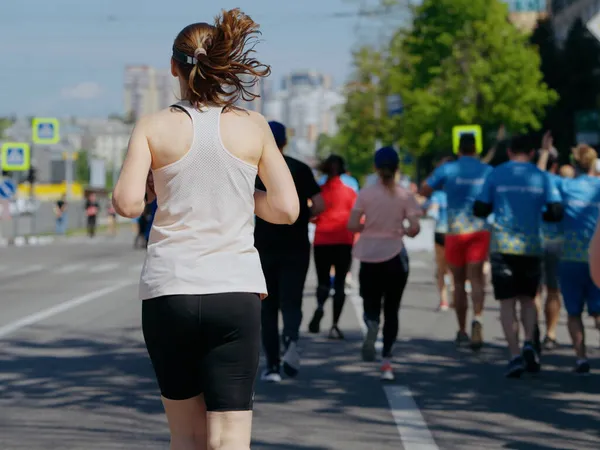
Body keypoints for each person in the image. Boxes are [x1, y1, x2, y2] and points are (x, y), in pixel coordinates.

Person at [111, 9, 299, 449]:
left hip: (169, 291)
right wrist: (246, 198)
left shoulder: (153, 126)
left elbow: (126, 202)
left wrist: (153, 194)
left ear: (174, 67)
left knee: (187, 437)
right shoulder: (253, 126)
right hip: (234, 291)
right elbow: (287, 208)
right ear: (222, 62)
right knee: (229, 437)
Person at [473, 134, 563, 378]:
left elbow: (480, 207)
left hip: (503, 245)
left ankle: (513, 356)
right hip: (532, 246)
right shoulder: (541, 176)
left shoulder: (495, 173)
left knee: (506, 303)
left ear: (510, 151)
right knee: (528, 299)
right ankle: (529, 344)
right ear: (532, 153)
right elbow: (556, 211)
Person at [255, 121, 325, 382]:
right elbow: (320, 204)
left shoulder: (254, 170)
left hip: (263, 248)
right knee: (292, 300)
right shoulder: (300, 168)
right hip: (296, 246)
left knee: (267, 307)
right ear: (285, 142)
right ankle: (291, 340)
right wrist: (304, 214)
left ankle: (272, 366)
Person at [348, 146, 421, 381]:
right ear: (398, 168)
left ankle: (371, 322)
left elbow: (352, 224)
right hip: (395, 256)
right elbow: (415, 228)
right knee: (392, 309)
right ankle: (387, 359)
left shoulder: (366, 194)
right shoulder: (404, 195)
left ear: (375, 168)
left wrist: (366, 228)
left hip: (369, 254)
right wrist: (405, 231)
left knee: (370, 301)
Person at [420, 134, 492, 351]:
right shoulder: (486, 170)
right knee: (477, 279)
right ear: (476, 149)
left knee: (458, 283)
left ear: (459, 149)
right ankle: (477, 318)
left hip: (454, 231)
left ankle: (461, 330)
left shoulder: (448, 169)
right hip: (480, 231)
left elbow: (424, 190)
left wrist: (440, 172)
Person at [555, 144, 600, 374]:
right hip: (598, 255)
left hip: (571, 257)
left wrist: (545, 155)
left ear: (574, 163)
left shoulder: (566, 186)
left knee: (574, 311)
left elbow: (545, 184)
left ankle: (581, 358)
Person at [308, 154, 357, 339]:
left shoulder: (320, 191)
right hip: (343, 240)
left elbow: (313, 215)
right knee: (340, 283)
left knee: (322, 281)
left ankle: (320, 306)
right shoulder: (350, 192)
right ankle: (335, 325)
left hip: (323, 240)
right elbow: (356, 217)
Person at [535, 132, 563, 351]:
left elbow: (538, 172)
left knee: (534, 292)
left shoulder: (535, 181)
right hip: (557, 242)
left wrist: (543, 153)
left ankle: (532, 328)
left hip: (535, 241)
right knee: (553, 290)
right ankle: (551, 333)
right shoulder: (563, 184)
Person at [425, 184, 451, 311]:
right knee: (457, 268)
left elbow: (432, 213)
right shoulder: (463, 191)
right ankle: (457, 298)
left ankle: (444, 301)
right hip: (458, 232)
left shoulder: (438, 195)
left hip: (441, 232)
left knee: (441, 268)